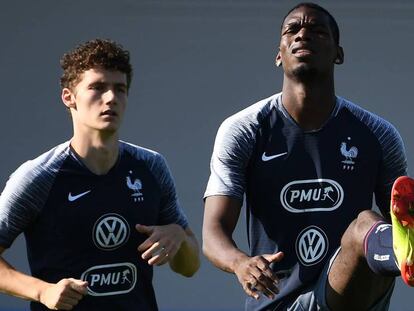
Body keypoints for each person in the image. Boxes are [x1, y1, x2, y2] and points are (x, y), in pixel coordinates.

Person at [203, 2, 412, 311]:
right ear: (278, 54)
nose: (303, 35)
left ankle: (400, 255)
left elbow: (402, 218)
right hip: (276, 300)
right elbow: (212, 233)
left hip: (349, 291)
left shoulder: (377, 134)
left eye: (317, 31)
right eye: (292, 30)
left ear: (338, 54)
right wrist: (240, 263)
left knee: (368, 224)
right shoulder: (245, 130)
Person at [0, 39, 200, 310]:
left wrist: (178, 236)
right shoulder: (40, 177)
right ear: (68, 97)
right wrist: (42, 291)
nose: (111, 98)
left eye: (120, 89)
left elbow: (189, 267)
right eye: (97, 87)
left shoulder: (151, 166)